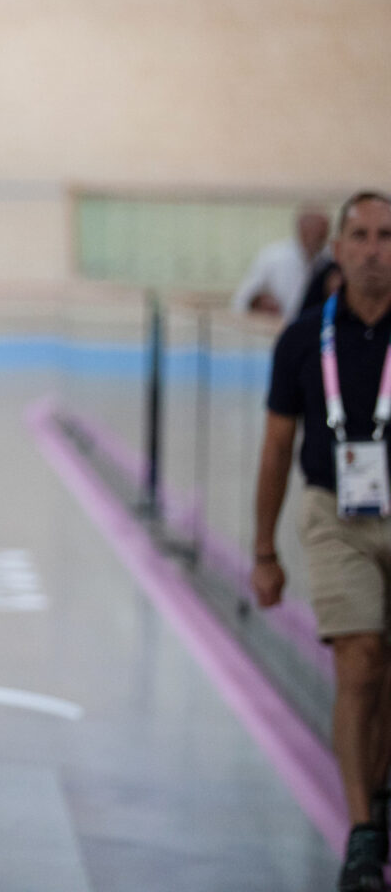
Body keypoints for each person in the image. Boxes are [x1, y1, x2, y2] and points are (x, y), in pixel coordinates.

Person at [252, 190, 391, 892]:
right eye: (360, 236)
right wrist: (264, 551)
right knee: (360, 659)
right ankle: (363, 831)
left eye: (387, 236)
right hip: (334, 512)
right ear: (338, 249)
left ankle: (380, 784)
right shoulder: (305, 338)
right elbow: (277, 447)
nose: (373, 249)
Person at [233, 205, 332, 319]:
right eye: (312, 231)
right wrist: (259, 302)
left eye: (321, 234)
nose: (316, 238)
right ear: (301, 229)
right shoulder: (273, 256)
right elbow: (241, 301)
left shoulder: (331, 258)